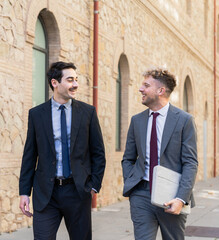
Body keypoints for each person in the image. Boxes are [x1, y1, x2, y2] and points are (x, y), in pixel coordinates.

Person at [19, 61, 106, 240]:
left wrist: (94, 185)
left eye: (76, 79)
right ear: (55, 83)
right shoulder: (37, 114)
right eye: (70, 80)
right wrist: (24, 192)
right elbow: (30, 155)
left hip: (78, 191)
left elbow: (98, 153)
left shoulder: (87, 112)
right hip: (46, 194)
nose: (75, 84)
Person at [122, 67, 198, 240]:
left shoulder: (184, 120)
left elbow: (190, 162)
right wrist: (131, 184)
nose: (141, 89)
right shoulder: (137, 121)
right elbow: (128, 158)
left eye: (146, 85)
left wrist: (181, 198)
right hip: (141, 193)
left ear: (161, 90)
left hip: (171, 194)